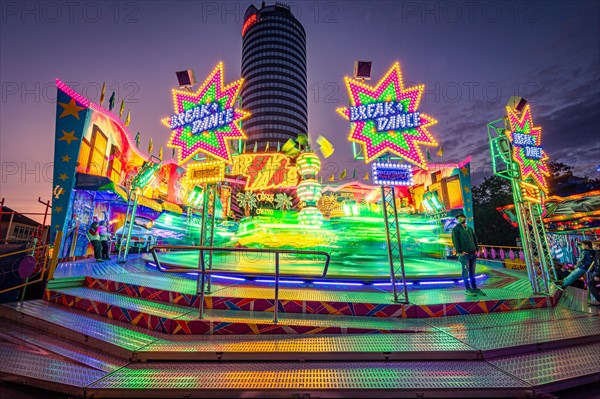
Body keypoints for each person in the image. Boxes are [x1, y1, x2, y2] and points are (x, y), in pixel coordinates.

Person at [452, 213, 485, 296]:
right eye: (458, 218)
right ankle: (467, 289)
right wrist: (460, 251)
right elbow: (455, 241)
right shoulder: (456, 229)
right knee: (465, 271)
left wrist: (476, 249)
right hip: (464, 255)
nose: (460, 219)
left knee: (472, 272)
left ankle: (474, 288)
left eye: (461, 218)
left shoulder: (469, 229)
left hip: (473, 254)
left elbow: (475, 239)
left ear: (465, 218)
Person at [587, 240, 600, 305]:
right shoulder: (597, 253)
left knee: (590, 283)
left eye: (593, 245)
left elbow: (599, 265)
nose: (592, 246)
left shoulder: (598, 254)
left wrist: (597, 275)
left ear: (597, 246)